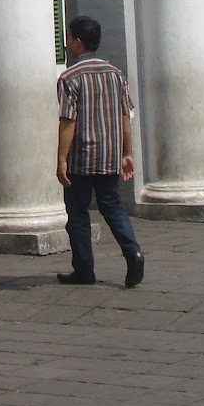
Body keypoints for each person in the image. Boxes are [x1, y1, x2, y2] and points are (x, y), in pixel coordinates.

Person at [55, 16, 145, 288]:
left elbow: (68, 120)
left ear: (77, 41)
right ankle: (133, 252)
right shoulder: (116, 74)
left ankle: (84, 269)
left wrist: (61, 159)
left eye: (69, 38)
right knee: (112, 206)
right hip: (109, 154)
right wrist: (127, 153)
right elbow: (125, 116)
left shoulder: (70, 77)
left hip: (81, 157)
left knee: (77, 212)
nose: (67, 42)